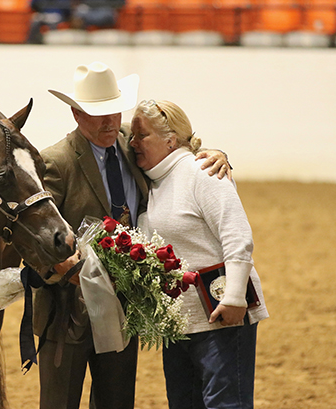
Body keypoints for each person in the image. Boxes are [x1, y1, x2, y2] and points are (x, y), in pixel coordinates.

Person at [32, 62, 231, 409]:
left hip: (125, 307)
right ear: (77, 114)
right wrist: (61, 269)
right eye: (98, 113)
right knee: (59, 402)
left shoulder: (130, 142)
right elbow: (33, 236)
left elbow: (180, 148)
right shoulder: (55, 161)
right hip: (68, 313)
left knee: (118, 401)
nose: (110, 121)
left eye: (114, 109)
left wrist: (218, 154)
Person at [131, 99, 270, 409]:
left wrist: (234, 296)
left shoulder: (202, 171)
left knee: (225, 404)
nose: (133, 143)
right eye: (133, 135)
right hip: (179, 322)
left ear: (170, 139)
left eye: (142, 136)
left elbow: (236, 233)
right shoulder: (151, 181)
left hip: (221, 315)